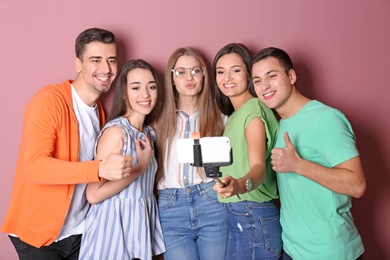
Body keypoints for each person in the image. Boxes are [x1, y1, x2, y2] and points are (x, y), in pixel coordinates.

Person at [1, 28, 134, 259]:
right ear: (78, 64)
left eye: (112, 60)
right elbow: (35, 167)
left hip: (80, 233)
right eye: (96, 60)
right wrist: (99, 169)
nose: (106, 69)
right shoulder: (50, 101)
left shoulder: (100, 113)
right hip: (39, 237)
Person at [250, 46, 367, 260]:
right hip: (293, 250)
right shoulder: (282, 124)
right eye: (257, 80)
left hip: (330, 252)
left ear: (291, 76)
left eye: (272, 76)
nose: (264, 85)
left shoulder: (326, 119)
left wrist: (299, 165)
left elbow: (357, 185)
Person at [79, 59, 166, 259]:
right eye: (136, 87)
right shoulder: (117, 132)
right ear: (125, 94)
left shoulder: (149, 134)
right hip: (110, 229)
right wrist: (141, 166)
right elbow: (93, 194)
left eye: (151, 87)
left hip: (138, 226)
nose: (145, 94)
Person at [154, 47, 228, 260]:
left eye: (195, 71)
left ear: (204, 75)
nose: (189, 77)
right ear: (172, 78)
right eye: (181, 72)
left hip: (211, 202)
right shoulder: (157, 122)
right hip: (171, 206)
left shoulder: (222, 120)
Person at [212, 43, 282, 260]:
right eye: (221, 71)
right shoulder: (234, 116)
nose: (227, 78)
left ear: (249, 74)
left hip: (253, 212)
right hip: (240, 215)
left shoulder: (253, 109)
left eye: (236, 70)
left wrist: (240, 185)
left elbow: (258, 166)